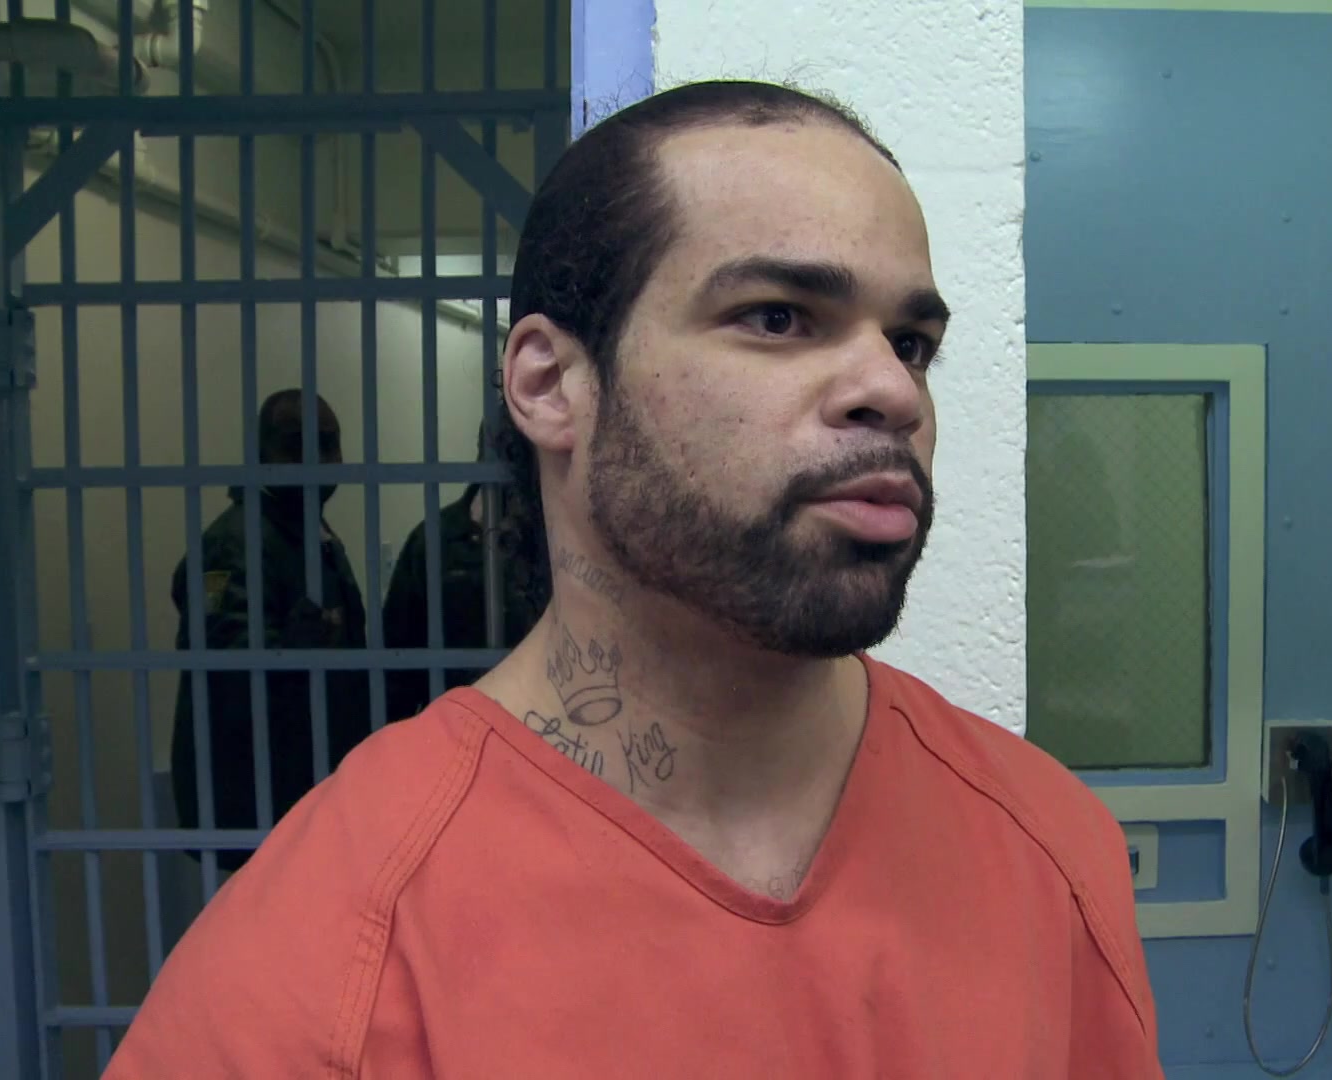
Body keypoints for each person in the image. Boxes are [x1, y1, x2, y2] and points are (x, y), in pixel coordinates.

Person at [108, 81, 1161, 1079]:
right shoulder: (327, 955)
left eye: (912, 342)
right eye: (778, 316)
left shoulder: (1049, 852)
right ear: (550, 384)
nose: (893, 389)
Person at [167, 389, 372, 872]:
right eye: (297, 444)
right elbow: (228, 671)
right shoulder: (237, 544)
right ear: (262, 453)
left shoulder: (305, 535)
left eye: (327, 443)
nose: (317, 459)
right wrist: (291, 650)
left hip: (294, 798)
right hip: (259, 803)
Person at [380, 420, 546, 722]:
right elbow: (398, 662)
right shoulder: (435, 541)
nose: (511, 461)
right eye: (506, 449)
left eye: (519, 450)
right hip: (453, 726)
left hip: (535, 725)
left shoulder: (551, 539)